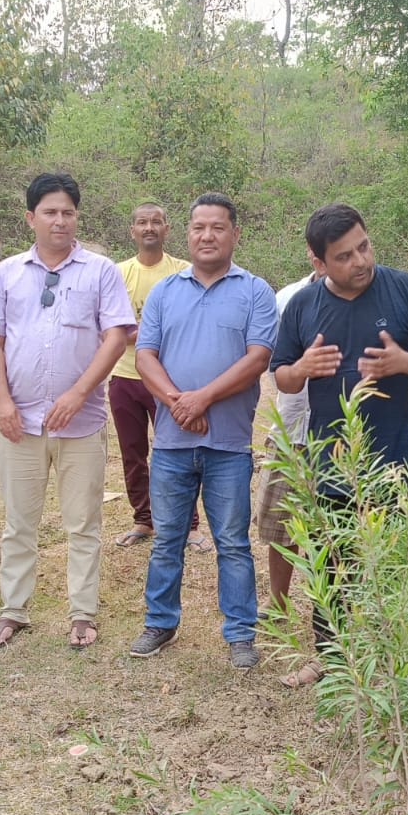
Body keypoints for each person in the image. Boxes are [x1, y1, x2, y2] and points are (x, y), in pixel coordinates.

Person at [270, 203, 408, 687]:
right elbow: (283, 378)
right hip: (328, 460)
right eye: (345, 256)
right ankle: (330, 658)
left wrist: (401, 363)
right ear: (318, 262)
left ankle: (389, 662)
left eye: (364, 247)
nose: (360, 261)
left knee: (388, 563)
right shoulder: (303, 306)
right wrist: (302, 369)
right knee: (330, 564)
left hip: (391, 459)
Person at [0, 172, 135, 650]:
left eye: (67, 211)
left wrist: (79, 393)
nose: (59, 220)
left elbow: (116, 335)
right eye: (49, 211)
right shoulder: (8, 272)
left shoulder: (100, 270)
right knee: (19, 522)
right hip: (18, 422)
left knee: (83, 522)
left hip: (80, 423)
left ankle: (83, 613)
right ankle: (13, 610)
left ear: (77, 217)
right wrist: (2, 400)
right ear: (31, 218)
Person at [128, 193, 278, 668]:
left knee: (232, 542)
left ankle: (240, 633)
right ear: (187, 233)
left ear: (235, 234)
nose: (207, 235)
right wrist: (177, 402)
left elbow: (258, 358)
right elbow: (144, 356)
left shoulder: (255, 291)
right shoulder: (165, 292)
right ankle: (160, 621)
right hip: (172, 443)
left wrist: (203, 398)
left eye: (217, 227)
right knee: (168, 537)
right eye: (198, 227)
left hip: (228, 443)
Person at [110, 203, 201, 550]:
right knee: (132, 451)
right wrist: (151, 332)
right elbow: (113, 325)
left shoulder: (183, 271)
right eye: (142, 223)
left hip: (170, 379)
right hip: (124, 377)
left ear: (167, 228)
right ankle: (143, 520)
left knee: (179, 450)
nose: (149, 228)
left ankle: (189, 525)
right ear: (132, 230)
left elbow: (190, 322)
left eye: (156, 222)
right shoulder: (117, 273)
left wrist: (142, 332)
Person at [258, 262, 318, 615]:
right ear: (314, 253)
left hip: (342, 434)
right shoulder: (288, 298)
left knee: (330, 529)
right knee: (280, 523)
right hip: (292, 426)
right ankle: (278, 601)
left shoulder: (366, 298)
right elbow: (273, 366)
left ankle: (327, 609)